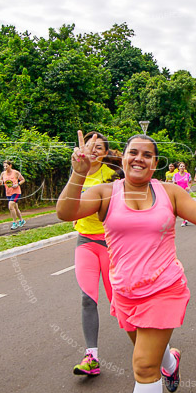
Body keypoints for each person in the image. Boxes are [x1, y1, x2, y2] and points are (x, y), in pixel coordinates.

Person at [56, 131, 196, 393]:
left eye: (147, 155)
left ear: (155, 163)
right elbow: (64, 212)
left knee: (143, 365)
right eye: (133, 152)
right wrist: (79, 172)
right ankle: (171, 362)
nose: (139, 159)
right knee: (152, 354)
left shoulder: (169, 193)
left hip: (165, 288)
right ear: (123, 157)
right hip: (125, 292)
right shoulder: (103, 193)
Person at [69, 133, 121, 376]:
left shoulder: (113, 176)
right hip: (85, 242)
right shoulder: (78, 173)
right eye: (90, 146)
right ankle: (92, 356)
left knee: (120, 300)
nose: (93, 150)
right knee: (87, 298)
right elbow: (67, 203)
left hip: (110, 244)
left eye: (99, 147)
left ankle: (158, 350)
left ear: (105, 152)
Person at [0, 161, 26, 229]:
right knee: (15, 208)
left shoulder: (15, 172)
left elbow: (23, 179)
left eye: (6, 166)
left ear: (10, 166)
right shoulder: (3, 174)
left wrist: (17, 184)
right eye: (4, 166)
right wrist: (0, 182)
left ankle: (14, 222)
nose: (5, 168)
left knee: (10, 206)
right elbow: (0, 181)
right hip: (8, 193)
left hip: (16, 192)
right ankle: (21, 221)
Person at [172, 162, 192, 226]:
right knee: (180, 207)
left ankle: (184, 220)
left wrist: (189, 187)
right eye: (181, 166)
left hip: (185, 193)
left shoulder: (188, 175)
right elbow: (174, 183)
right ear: (178, 168)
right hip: (178, 193)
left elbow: (190, 182)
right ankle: (185, 218)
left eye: (183, 166)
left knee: (184, 206)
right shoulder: (175, 175)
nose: (182, 167)